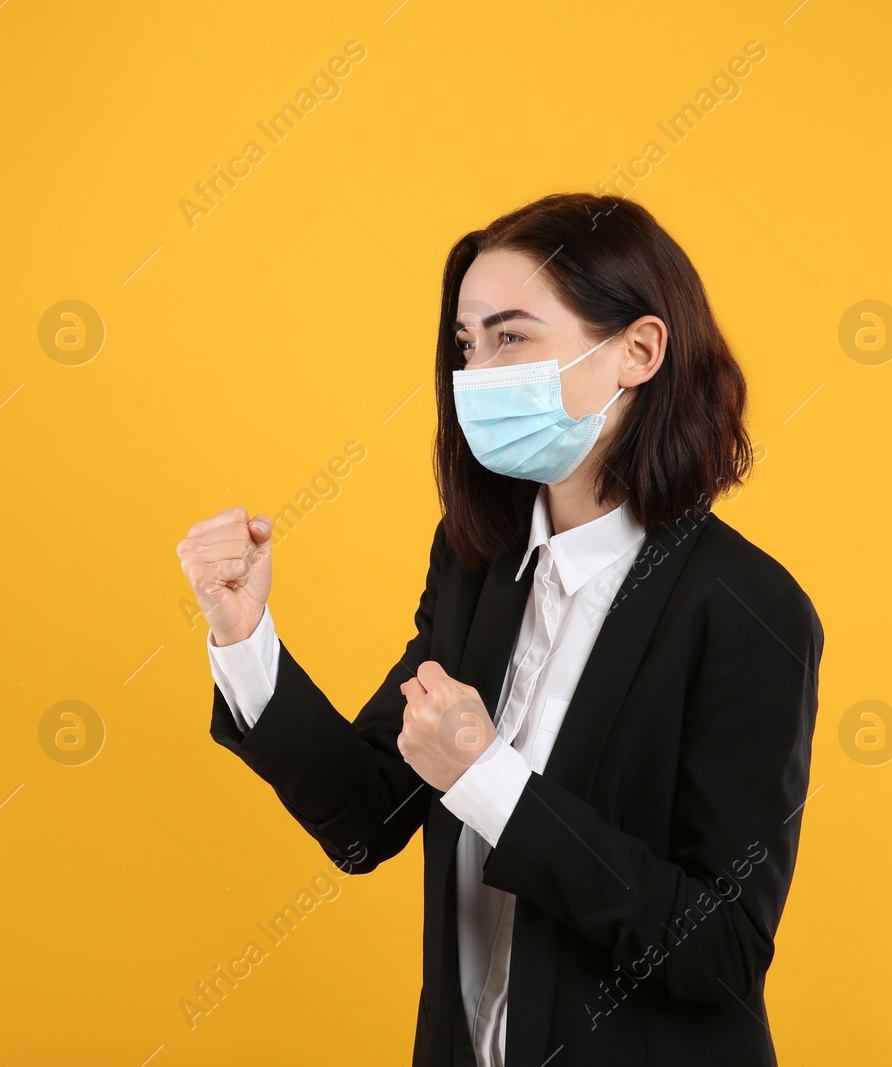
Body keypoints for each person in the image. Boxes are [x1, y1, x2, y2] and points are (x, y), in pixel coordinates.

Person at [176, 192, 824, 1066]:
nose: (478, 372)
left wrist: (491, 780)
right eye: (466, 345)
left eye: (511, 337)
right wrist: (244, 639)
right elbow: (367, 816)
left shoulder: (748, 607)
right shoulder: (475, 562)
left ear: (637, 350)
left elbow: (720, 948)